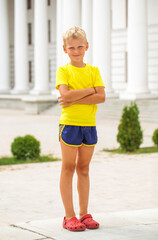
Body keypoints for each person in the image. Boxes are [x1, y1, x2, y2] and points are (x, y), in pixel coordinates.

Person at [56, 26, 105, 232]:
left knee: (83, 169)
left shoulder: (93, 71)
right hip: (69, 124)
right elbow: (65, 96)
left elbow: (101, 97)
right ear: (65, 49)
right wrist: (90, 91)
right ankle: (69, 216)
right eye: (71, 48)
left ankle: (84, 214)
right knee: (68, 168)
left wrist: (77, 95)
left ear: (86, 47)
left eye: (79, 47)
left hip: (89, 125)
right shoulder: (63, 71)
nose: (76, 51)